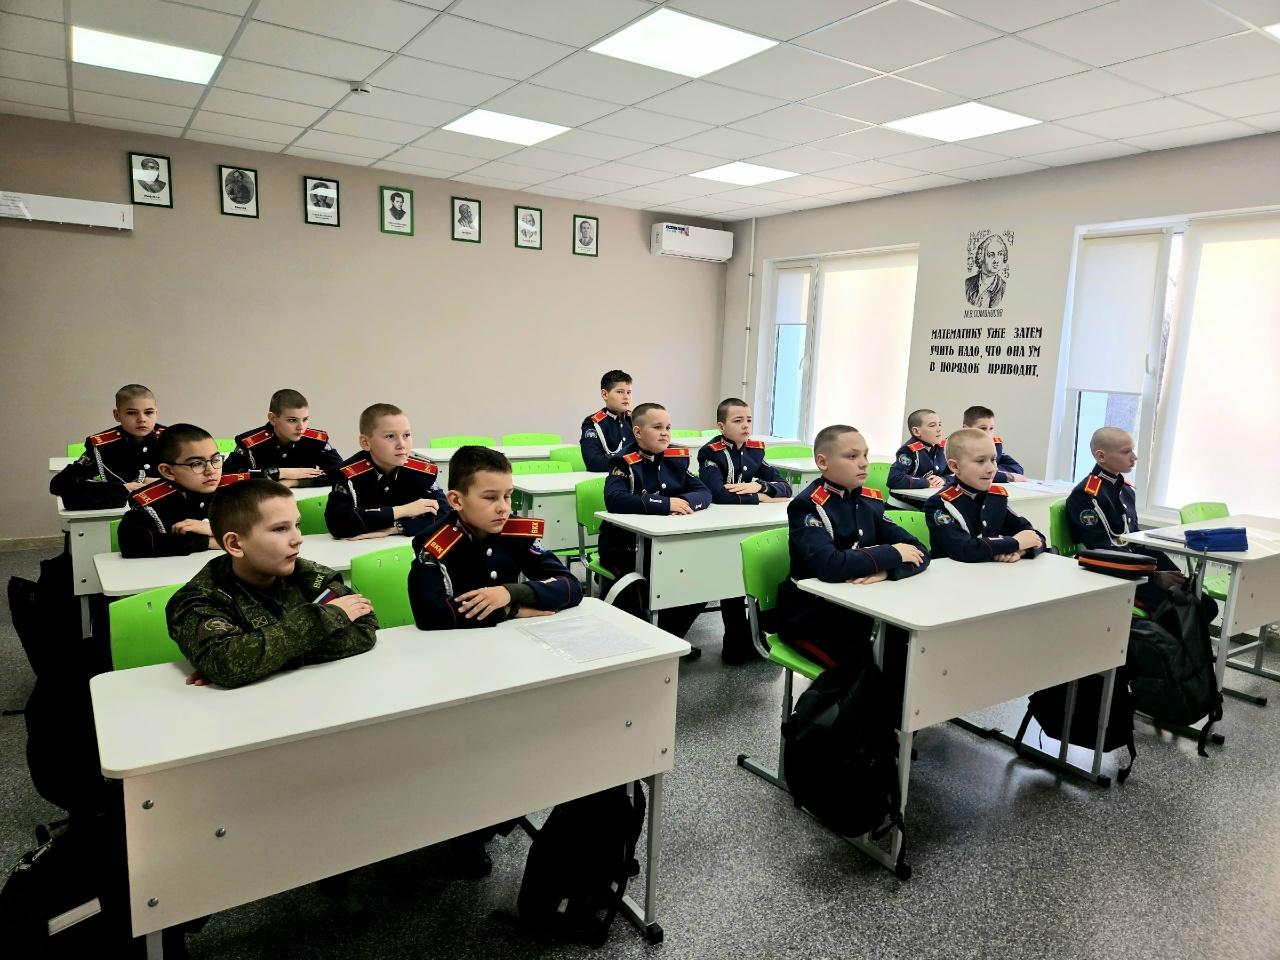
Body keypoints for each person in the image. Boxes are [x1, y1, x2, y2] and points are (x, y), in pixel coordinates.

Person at [166, 478, 377, 689]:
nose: (298, 538)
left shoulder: (308, 574)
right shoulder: (197, 599)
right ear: (235, 544)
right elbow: (225, 663)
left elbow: (365, 628)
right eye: (280, 529)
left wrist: (258, 660)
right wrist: (320, 621)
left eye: (297, 525)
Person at [777, 424, 928, 669]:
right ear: (823, 462)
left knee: (906, 654)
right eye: (852, 456)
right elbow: (830, 566)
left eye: (865, 455)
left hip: (862, 608)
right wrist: (893, 553)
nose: (864, 463)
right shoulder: (808, 506)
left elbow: (918, 549)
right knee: (866, 667)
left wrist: (888, 571)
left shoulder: (870, 501)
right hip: (812, 614)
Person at [408, 446, 581, 630]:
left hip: (509, 636)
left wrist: (509, 592)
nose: (503, 508)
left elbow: (571, 586)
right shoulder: (436, 541)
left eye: (507, 496)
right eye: (490, 498)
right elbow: (428, 614)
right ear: (456, 501)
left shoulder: (517, 532)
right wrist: (508, 610)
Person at [1065, 427, 1211, 615]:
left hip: (1135, 562)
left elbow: (1133, 539)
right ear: (1101, 456)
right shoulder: (1086, 495)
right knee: (1185, 612)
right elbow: (1100, 549)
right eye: (1126, 451)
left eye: (1132, 450)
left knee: (1206, 605)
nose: (1134, 457)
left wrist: (1159, 565)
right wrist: (1152, 575)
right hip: (1112, 571)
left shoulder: (1126, 491)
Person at [600, 402, 711, 645]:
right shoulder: (623, 462)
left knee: (701, 581)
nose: (665, 433)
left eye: (668, 427)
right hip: (624, 546)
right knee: (642, 587)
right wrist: (666, 504)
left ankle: (665, 639)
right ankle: (643, 642)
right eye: (657, 427)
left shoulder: (675, 459)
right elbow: (615, 499)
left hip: (666, 545)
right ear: (637, 432)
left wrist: (684, 502)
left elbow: (704, 492)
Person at [697, 397, 792, 664]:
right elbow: (717, 494)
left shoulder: (755, 451)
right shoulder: (710, 452)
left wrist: (760, 486)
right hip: (721, 526)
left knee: (762, 576)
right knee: (732, 580)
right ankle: (735, 643)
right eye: (738, 420)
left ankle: (757, 638)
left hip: (750, 523)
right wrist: (760, 496)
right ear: (721, 426)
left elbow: (785, 487)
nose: (745, 425)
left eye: (748, 420)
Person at [118, 423, 249, 558]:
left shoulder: (239, 490)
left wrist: (216, 530)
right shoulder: (152, 502)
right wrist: (208, 542)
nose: (211, 471)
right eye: (197, 463)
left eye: (215, 459)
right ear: (168, 471)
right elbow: (132, 544)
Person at [324, 403, 444, 540]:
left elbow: (446, 516)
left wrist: (397, 528)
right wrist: (404, 510)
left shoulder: (423, 472)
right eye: (390, 436)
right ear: (365, 442)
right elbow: (338, 524)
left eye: (406, 435)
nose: (402, 445)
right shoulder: (347, 474)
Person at [924, 428, 1045, 563]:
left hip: (989, 573)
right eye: (980, 461)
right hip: (952, 573)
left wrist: (1020, 550)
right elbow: (964, 550)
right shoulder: (939, 503)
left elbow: (1034, 535)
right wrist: (1015, 542)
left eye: (993, 460)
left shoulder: (995, 497)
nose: (991, 469)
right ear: (955, 466)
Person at [50, 384, 167, 509]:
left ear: (156, 413)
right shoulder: (104, 446)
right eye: (131, 413)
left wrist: (162, 484)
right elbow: (59, 485)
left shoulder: (171, 440)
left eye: (148, 412)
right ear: (117, 415)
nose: (142, 419)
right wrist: (121, 489)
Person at [225, 388, 344, 487]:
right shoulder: (251, 443)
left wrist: (294, 482)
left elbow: (342, 473)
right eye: (292, 420)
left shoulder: (316, 441)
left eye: (305, 419)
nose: (301, 427)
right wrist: (281, 473)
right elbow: (227, 477)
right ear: (272, 419)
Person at [579, 369, 634, 472]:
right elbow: (593, 462)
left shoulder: (636, 419)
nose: (626, 397)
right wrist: (631, 461)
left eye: (629, 392)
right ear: (605, 394)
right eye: (620, 392)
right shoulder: (593, 423)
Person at [887, 408, 950, 490]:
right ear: (916, 431)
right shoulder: (908, 450)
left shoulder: (941, 447)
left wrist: (943, 479)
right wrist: (926, 482)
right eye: (932, 425)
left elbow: (954, 473)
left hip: (929, 495)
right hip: (908, 498)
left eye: (940, 424)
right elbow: (895, 479)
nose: (939, 429)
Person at [962, 405, 1025, 482]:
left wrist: (995, 470)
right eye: (983, 428)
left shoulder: (995, 446)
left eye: (991, 428)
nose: (988, 434)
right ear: (966, 429)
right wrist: (1008, 477)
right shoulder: (956, 446)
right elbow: (967, 473)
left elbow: (1017, 468)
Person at [965, 233, 1007, 308]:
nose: (996, 260)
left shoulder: (1004, 288)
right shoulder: (968, 284)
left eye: (1000, 254)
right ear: (981, 257)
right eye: (991, 255)